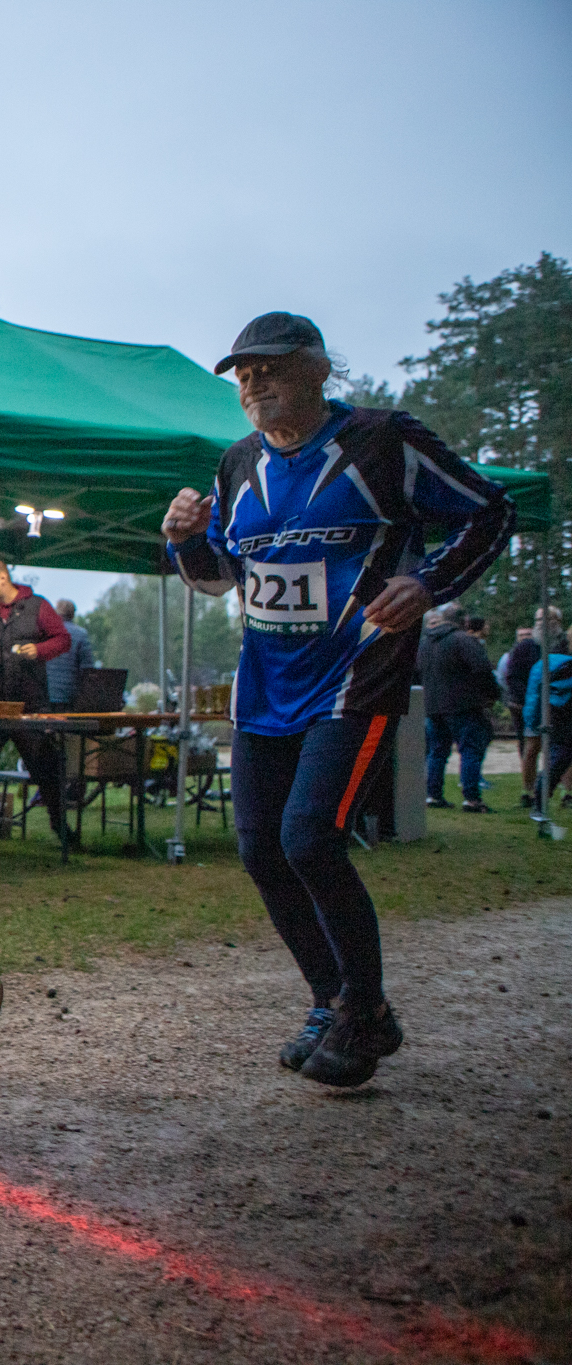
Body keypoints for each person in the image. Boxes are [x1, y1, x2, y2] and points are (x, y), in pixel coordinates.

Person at [164, 310, 512, 1088]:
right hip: (264, 689)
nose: (252, 382)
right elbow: (220, 575)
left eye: (270, 367)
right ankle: (338, 1003)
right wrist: (185, 538)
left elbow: (492, 511)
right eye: (242, 373)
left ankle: (365, 1008)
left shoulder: (384, 441)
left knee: (311, 838)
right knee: (260, 849)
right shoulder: (237, 463)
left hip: (355, 677)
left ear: (318, 367)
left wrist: (428, 583)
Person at [0, 553, 75, 848]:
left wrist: (40, 650)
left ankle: (61, 827)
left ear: (2, 578)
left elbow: (62, 639)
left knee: (46, 769)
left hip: (31, 706)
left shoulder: (38, 607)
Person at [419, 603, 498, 812]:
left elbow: (417, 672)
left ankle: (433, 795)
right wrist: (492, 695)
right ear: (464, 621)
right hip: (463, 705)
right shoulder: (462, 640)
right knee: (470, 750)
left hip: (433, 706)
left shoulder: (425, 643)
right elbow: (482, 669)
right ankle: (472, 799)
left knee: (437, 752)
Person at [508, 609, 561, 810]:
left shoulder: (564, 645)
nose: (541, 623)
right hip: (531, 705)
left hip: (560, 704)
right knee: (531, 749)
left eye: (546, 619)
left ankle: (567, 792)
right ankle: (527, 791)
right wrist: (524, 700)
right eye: (538, 619)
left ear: (557, 621)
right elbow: (513, 677)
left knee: (562, 749)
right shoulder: (526, 648)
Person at [523, 620, 572, 806]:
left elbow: (534, 697)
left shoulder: (544, 664)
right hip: (562, 717)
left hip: (554, 716)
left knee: (557, 757)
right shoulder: (562, 665)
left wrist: (532, 721)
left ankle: (539, 796)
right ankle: (543, 796)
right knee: (558, 757)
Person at [44, 598, 95, 709]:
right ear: (73, 614)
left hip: (45, 695)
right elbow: (87, 671)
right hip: (69, 697)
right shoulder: (81, 635)